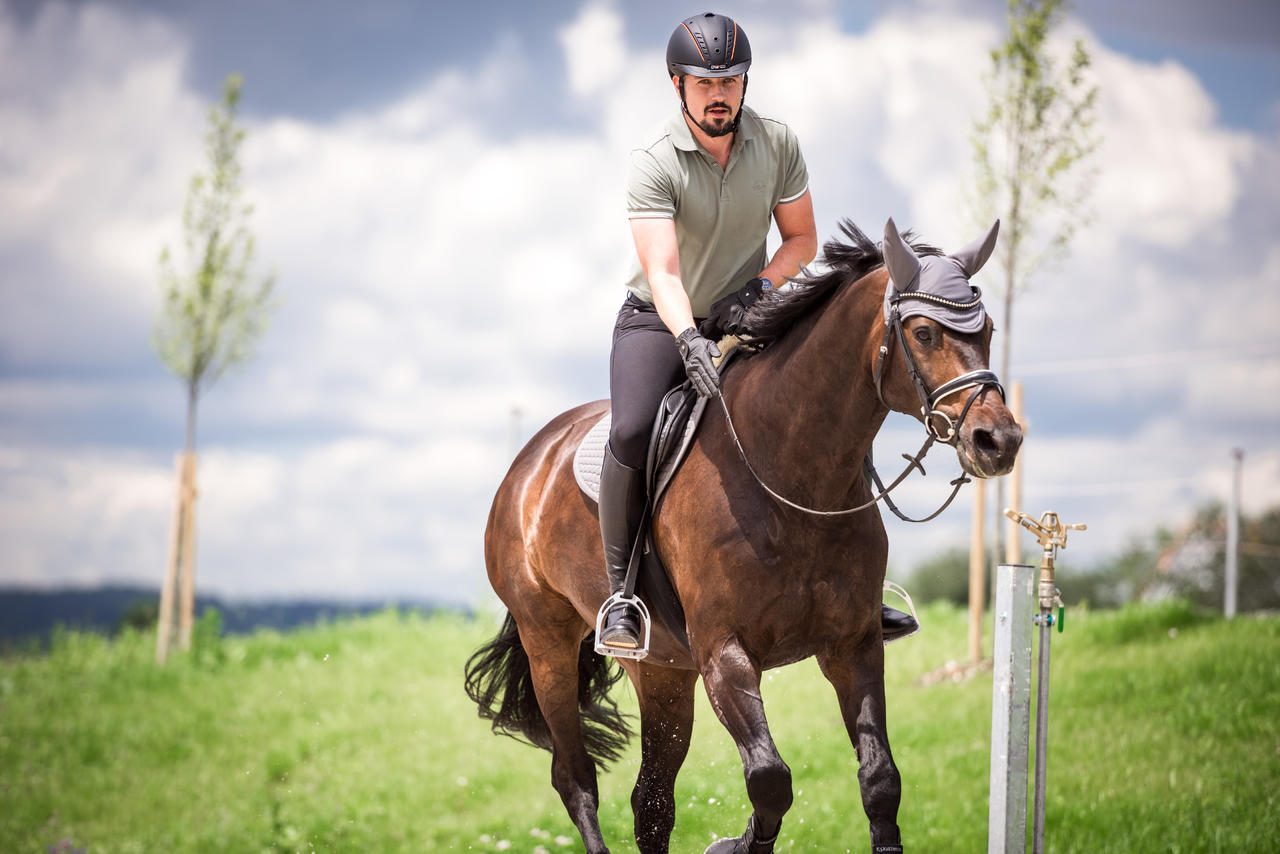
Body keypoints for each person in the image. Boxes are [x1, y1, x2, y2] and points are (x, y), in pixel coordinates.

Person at [596, 12, 918, 654]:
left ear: (744, 83)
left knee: (825, 395)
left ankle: (857, 587)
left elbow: (802, 239)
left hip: (747, 307)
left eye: (731, 82)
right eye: (704, 84)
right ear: (677, 85)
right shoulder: (653, 162)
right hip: (661, 318)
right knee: (633, 427)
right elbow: (662, 273)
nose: (720, 95)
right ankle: (621, 596)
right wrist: (689, 339)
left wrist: (761, 290)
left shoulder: (777, 143)